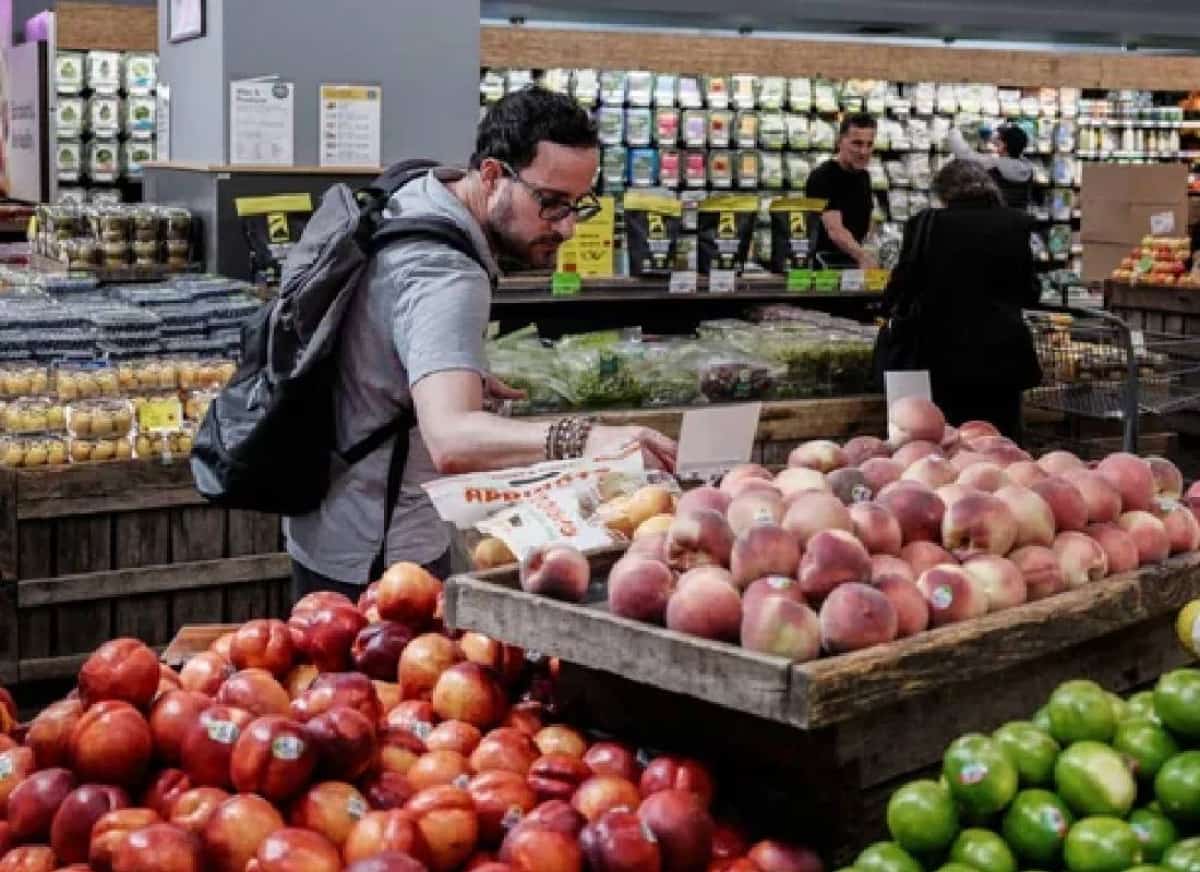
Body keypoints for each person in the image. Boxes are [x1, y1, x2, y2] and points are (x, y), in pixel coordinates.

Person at [285, 87, 678, 601]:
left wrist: (440, 369)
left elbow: (381, 320)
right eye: (551, 203)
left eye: (579, 205)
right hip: (379, 550)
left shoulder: (420, 188)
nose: (567, 226)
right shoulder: (447, 272)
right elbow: (451, 439)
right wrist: (584, 439)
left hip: (332, 514)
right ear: (492, 176)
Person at [878, 160, 1042, 440]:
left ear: (944, 193)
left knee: (945, 442)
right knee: (1000, 443)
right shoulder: (1017, 223)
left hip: (941, 357)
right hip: (1002, 358)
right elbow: (1029, 292)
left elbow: (902, 286)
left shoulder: (926, 224)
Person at [806, 113, 878, 269]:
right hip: (824, 268)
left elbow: (867, 222)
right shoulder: (823, 176)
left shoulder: (864, 176)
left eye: (869, 144)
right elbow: (835, 231)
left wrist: (872, 250)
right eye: (857, 144)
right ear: (840, 142)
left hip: (853, 265)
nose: (864, 152)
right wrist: (863, 256)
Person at [948, 123, 1034, 211]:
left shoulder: (995, 164)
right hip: (1019, 217)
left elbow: (964, 154)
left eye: (999, 139)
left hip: (997, 217)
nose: (995, 141)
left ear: (1004, 145)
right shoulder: (1028, 167)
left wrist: (953, 131)